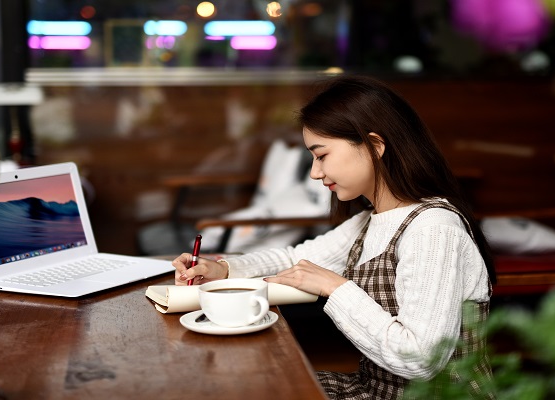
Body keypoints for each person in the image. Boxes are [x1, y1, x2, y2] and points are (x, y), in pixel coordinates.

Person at [172, 75, 497, 399]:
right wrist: (223, 269)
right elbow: (294, 259)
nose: (314, 172)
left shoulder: (433, 230)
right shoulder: (370, 221)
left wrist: (334, 287)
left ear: (375, 146)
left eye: (321, 155)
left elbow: (421, 359)